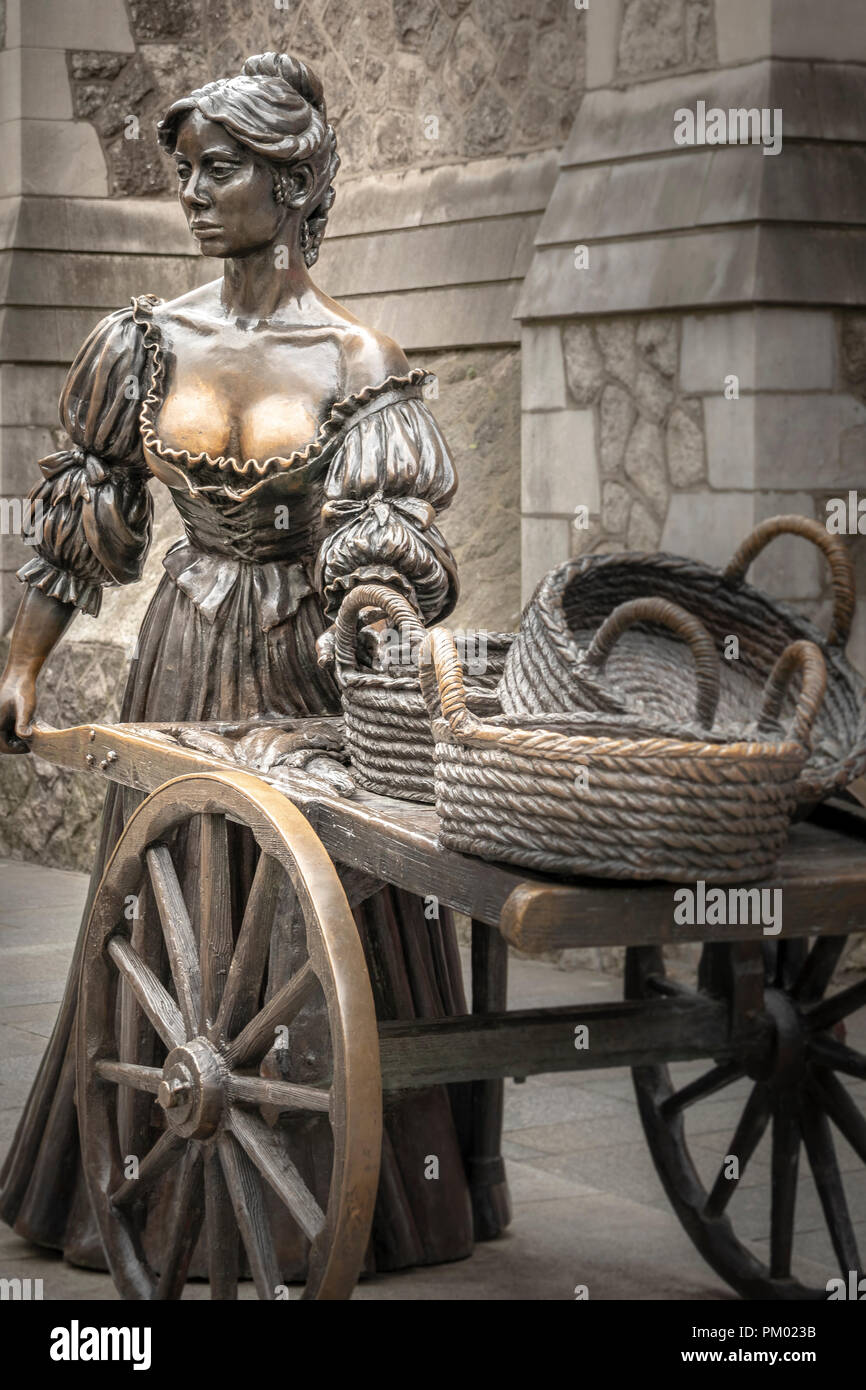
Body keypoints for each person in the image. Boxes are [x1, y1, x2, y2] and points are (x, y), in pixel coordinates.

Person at [0, 51, 505, 1282]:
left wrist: (379, 606)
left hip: (305, 664)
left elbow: (388, 545)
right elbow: (86, 515)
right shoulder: (142, 344)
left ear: (292, 183)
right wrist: (19, 661)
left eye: (217, 169)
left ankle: (348, 1196)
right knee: (162, 907)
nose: (191, 192)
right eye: (184, 171)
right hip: (179, 653)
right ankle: (143, 1169)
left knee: (312, 918)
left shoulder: (356, 360)